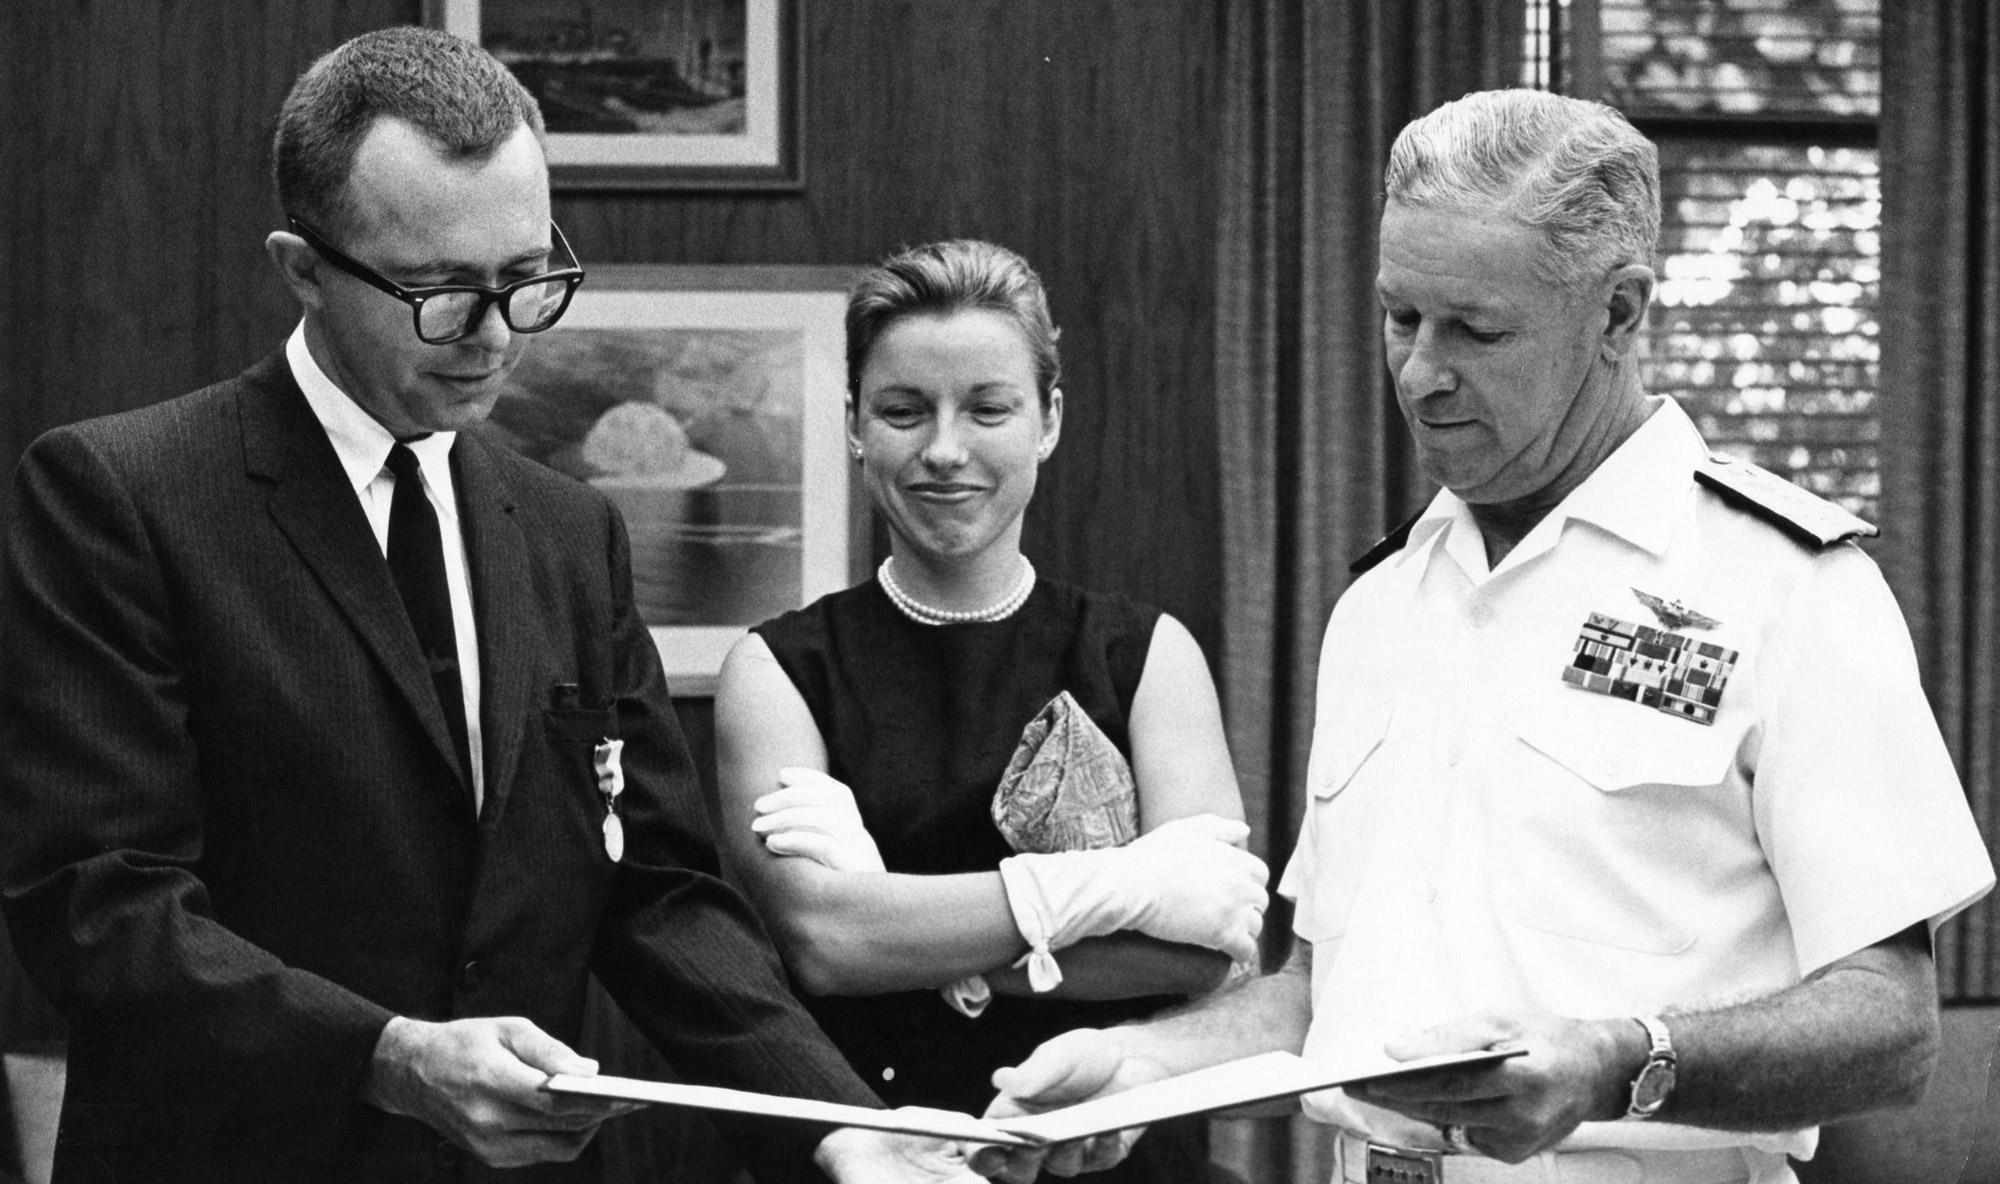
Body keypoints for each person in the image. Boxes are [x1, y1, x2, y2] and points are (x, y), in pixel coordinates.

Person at [0, 27, 977, 1184]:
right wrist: (387, 1054)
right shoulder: (119, 493)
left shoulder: (570, 530)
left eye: (526, 276)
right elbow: (94, 902)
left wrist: (838, 1124)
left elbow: (656, 892)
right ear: (301, 267)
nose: (497, 332)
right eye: (438, 292)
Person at [971, 89, 1996, 1184]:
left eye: (1475, 328)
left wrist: (1621, 1061)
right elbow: (1321, 995)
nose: (1418, 372)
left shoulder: (1783, 586)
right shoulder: (1379, 603)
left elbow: (1890, 1026)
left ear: (1618, 313)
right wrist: (1140, 1062)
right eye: (1399, 316)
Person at [712, 239, 1271, 1181]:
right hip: (880, 1160)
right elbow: (826, 942)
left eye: (988, 408)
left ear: (1048, 420)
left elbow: (1208, 955)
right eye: (902, 410)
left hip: (1109, 1158)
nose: (944, 448)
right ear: (853, 424)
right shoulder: (776, 670)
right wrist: (1113, 896)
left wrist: (913, 931)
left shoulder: (1145, 654)